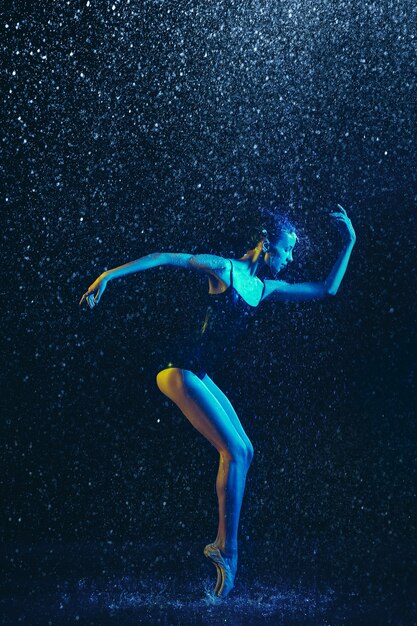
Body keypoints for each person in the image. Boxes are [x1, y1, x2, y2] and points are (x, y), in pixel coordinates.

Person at [79, 205, 356, 598]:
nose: (291, 258)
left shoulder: (265, 289)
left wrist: (350, 243)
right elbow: (164, 257)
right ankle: (227, 550)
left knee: (245, 449)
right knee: (234, 452)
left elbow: (326, 290)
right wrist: (107, 275)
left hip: (199, 374)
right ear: (266, 244)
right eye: (288, 249)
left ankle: (225, 547)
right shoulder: (223, 269)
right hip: (177, 369)